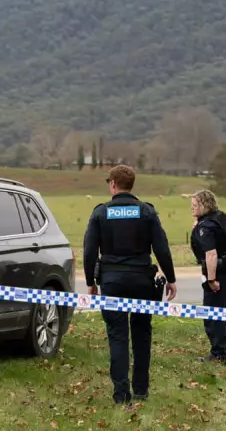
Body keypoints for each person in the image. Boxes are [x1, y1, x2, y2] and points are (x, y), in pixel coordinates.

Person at [83, 165, 178, 406]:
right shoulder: (146, 211)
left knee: (117, 336)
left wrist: (90, 282)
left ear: (113, 184)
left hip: (112, 281)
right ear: (131, 185)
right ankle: (141, 389)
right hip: (142, 281)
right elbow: (162, 248)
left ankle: (121, 395)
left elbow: (89, 251)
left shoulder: (100, 213)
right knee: (141, 333)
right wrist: (171, 278)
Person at [189, 189, 226, 364]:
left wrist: (211, 279)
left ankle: (218, 354)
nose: (192, 209)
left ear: (204, 205)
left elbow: (211, 254)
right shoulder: (221, 217)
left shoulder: (206, 226)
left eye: (195, 205)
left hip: (218, 274)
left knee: (213, 315)